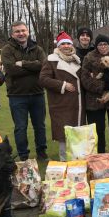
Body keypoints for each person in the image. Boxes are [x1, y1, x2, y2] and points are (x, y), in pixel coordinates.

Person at [1, 21, 48, 161]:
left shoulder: (37, 49)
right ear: (12, 34)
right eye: (17, 31)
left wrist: (23, 64)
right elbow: (11, 70)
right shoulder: (7, 50)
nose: (21, 33)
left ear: (28, 31)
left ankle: (41, 152)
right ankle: (23, 155)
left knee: (40, 126)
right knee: (20, 127)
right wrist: (33, 68)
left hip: (37, 93)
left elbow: (43, 66)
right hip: (17, 95)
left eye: (23, 30)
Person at [39, 31, 85, 161]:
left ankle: (78, 160)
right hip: (61, 103)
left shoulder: (76, 60)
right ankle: (64, 161)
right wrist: (63, 85)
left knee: (77, 133)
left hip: (78, 103)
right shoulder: (51, 60)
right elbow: (43, 79)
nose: (66, 46)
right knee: (64, 134)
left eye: (68, 44)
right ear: (58, 46)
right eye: (63, 44)